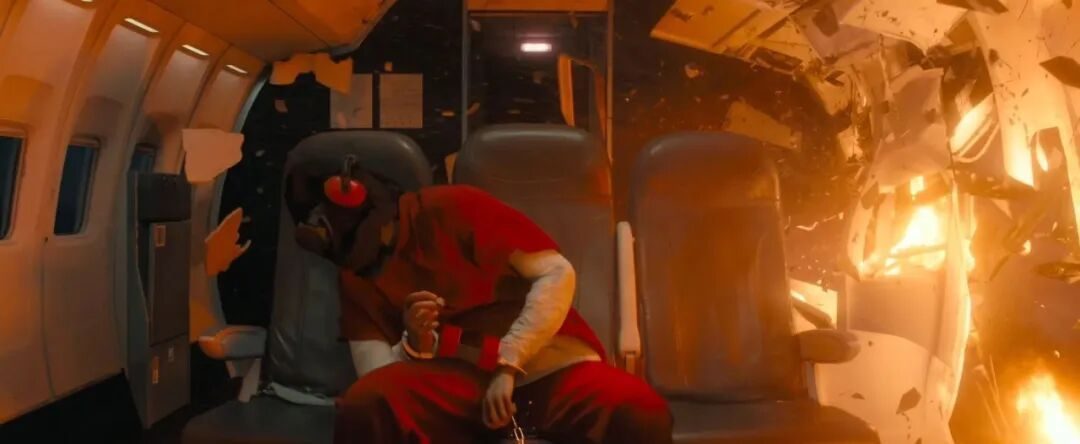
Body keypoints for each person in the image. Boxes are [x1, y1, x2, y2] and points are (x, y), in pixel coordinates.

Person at [284, 155, 672, 444]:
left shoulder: (453, 207)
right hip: (459, 383)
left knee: (639, 410)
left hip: (544, 367)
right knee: (366, 405)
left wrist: (509, 364)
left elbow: (556, 274)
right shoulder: (355, 276)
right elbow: (375, 374)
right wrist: (413, 346)